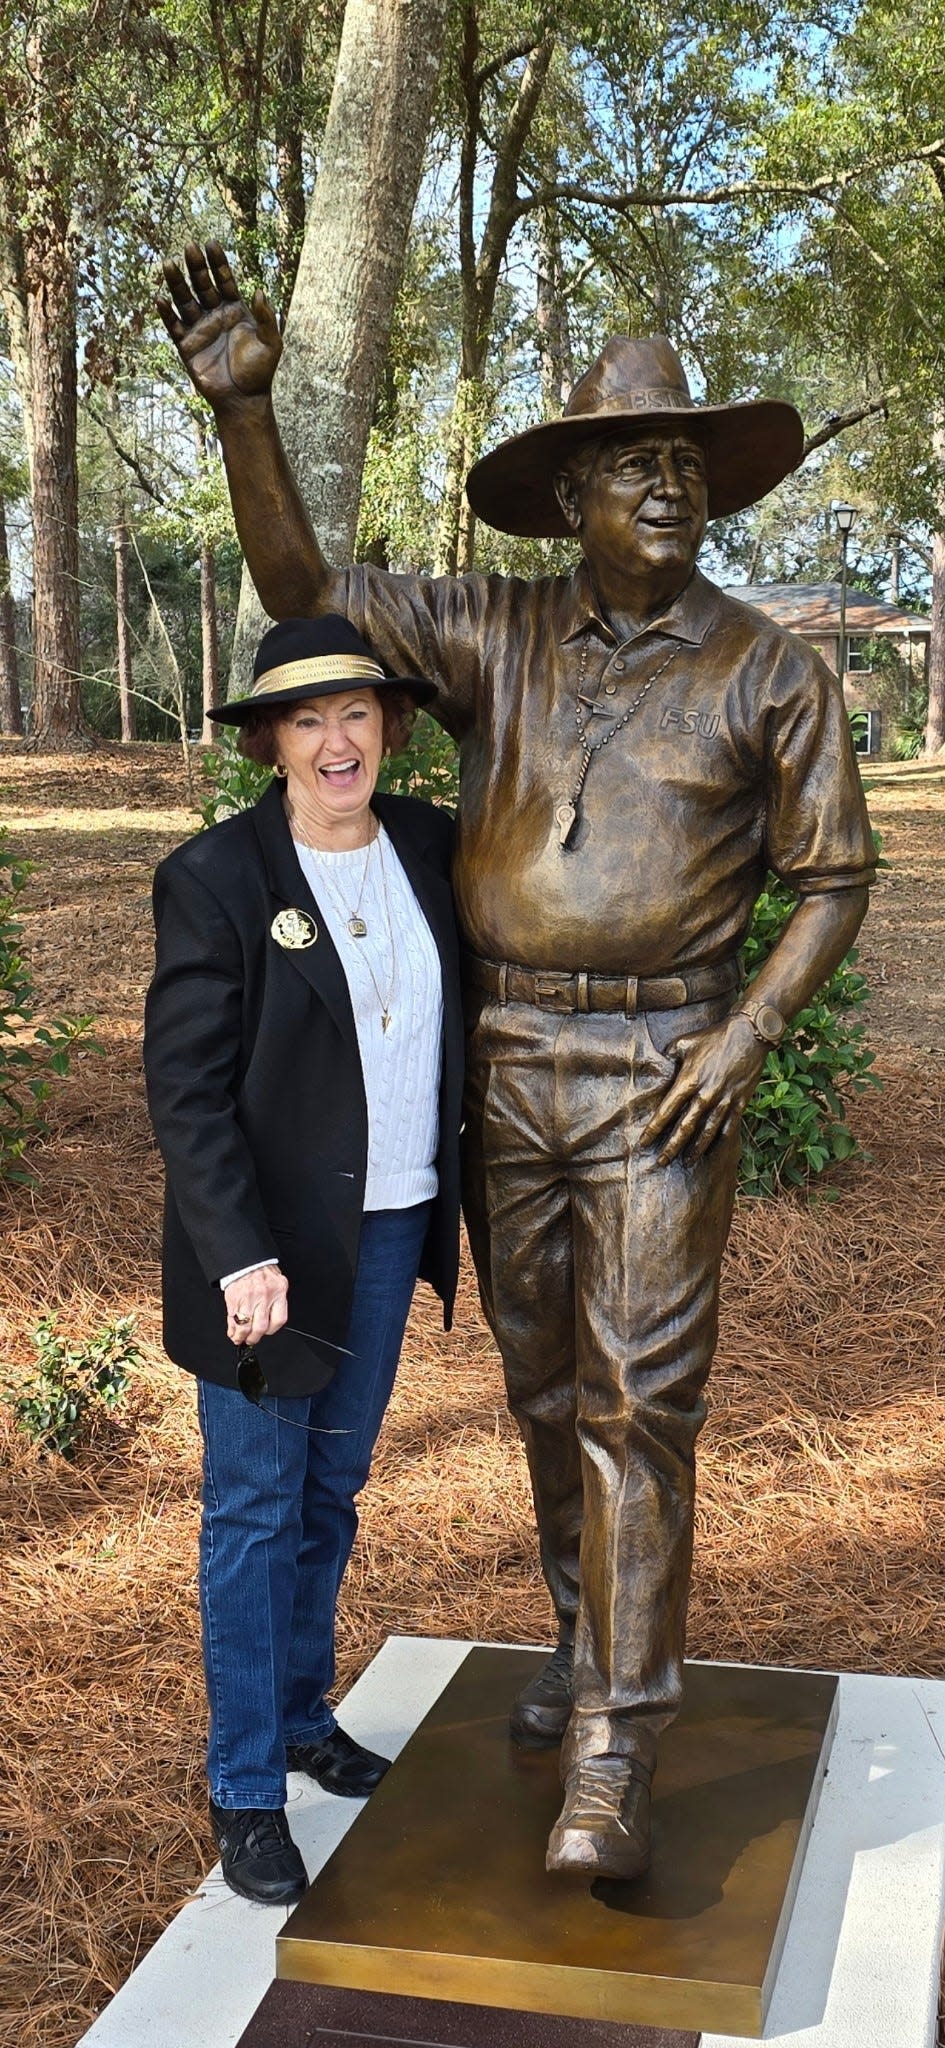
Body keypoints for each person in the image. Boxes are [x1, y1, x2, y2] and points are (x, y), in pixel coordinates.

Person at [157, 243, 875, 1884]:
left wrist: (748, 1034)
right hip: (509, 1075)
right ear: (570, 501)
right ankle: (576, 1642)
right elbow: (307, 600)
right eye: (636, 462)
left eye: (688, 464)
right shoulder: (493, 633)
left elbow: (833, 878)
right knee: (548, 1391)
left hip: (662, 1073)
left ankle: (617, 1751)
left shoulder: (772, 669)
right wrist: (247, 415)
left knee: (639, 1409)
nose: (670, 486)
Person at [143, 612, 463, 1906]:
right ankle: (245, 1790)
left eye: (356, 713)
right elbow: (187, 1092)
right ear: (270, 739)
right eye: (306, 718)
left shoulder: (430, 845)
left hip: (391, 1229)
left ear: (385, 725)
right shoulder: (218, 878)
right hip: (268, 1263)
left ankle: (299, 1716)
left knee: (331, 1494)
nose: (336, 741)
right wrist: (237, 1257)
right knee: (256, 1515)